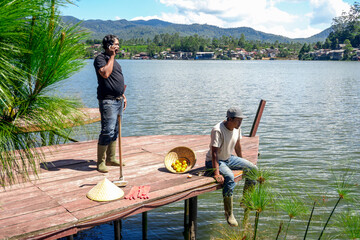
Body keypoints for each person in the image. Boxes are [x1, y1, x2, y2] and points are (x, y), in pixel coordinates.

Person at [205, 107, 258, 227]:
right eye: (238, 120)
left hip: (229, 158)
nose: (240, 123)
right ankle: (229, 214)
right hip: (215, 161)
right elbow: (214, 153)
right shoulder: (217, 130)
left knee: (253, 169)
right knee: (229, 176)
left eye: (241, 120)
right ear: (229, 119)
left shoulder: (236, 128)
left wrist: (242, 161)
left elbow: (238, 145)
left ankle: (246, 200)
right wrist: (217, 173)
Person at [94, 34, 127, 173]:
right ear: (109, 46)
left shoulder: (116, 62)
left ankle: (111, 158)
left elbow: (115, 80)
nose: (118, 47)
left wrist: (123, 95)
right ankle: (100, 162)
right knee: (107, 130)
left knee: (115, 131)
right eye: (116, 44)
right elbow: (105, 74)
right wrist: (112, 56)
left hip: (118, 100)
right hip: (108, 101)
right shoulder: (100, 59)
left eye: (118, 44)